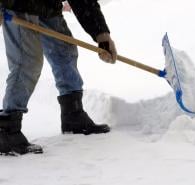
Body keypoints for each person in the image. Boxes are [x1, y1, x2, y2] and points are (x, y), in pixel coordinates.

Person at [0, 0, 117, 155]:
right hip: (17, 4)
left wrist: (101, 34)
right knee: (27, 62)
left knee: (65, 52)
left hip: (47, 6)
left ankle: (73, 114)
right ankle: (7, 130)